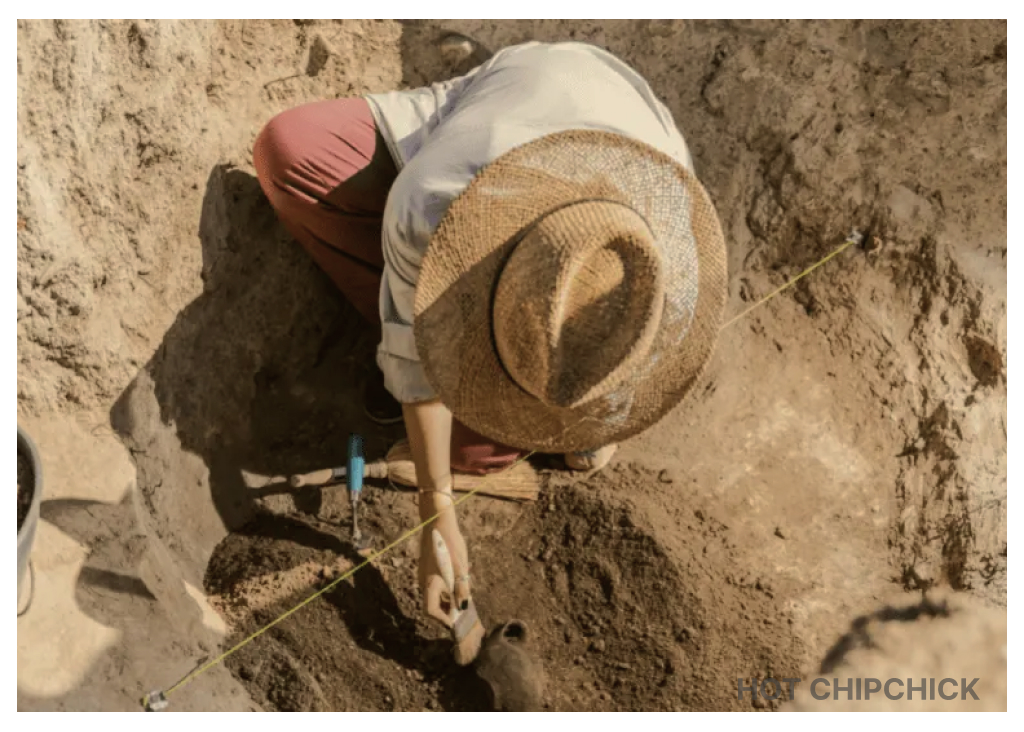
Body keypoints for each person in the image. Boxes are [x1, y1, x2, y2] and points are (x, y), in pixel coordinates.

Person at [253, 40, 727, 664]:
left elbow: (630, 344)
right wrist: (435, 513)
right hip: (509, 93)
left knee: (470, 444)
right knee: (289, 149)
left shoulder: (664, 269)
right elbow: (419, 381)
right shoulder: (432, 202)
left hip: (623, 123)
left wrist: (585, 405)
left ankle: (564, 422)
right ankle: (448, 327)